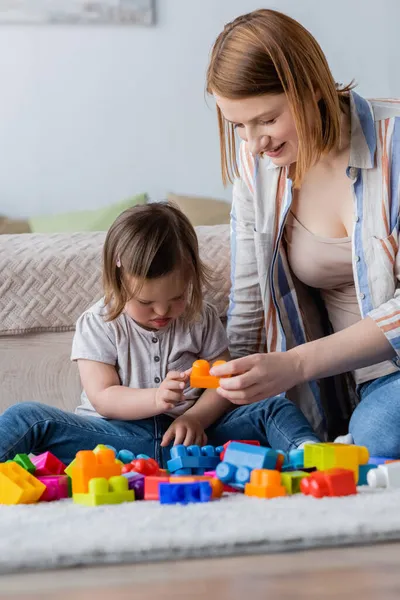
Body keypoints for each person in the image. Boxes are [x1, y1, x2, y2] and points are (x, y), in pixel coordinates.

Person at [206, 8, 400, 457]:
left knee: (380, 431)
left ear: (312, 88)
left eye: (267, 119)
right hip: (356, 390)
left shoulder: (394, 142)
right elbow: (250, 304)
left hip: (383, 385)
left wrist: (295, 364)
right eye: (239, 126)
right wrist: (218, 396)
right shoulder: (256, 167)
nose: (255, 143)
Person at [0, 203, 320, 466]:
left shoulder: (200, 316)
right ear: (118, 279)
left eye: (177, 298)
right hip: (114, 437)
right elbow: (103, 397)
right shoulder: (98, 322)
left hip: (193, 436)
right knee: (27, 416)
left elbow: (221, 384)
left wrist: (195, 419)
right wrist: (154, 399)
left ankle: (311, 457)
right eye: (145, 302)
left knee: (274, 407)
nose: (162, 312)